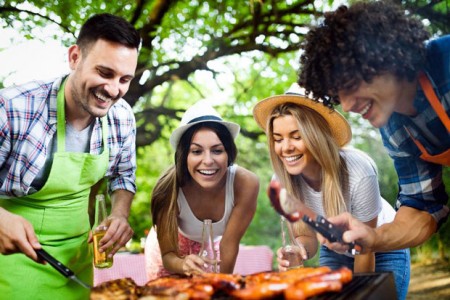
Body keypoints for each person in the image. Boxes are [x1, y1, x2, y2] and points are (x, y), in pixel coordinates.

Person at [0, 13, 140, 299]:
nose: (114, 90)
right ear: (75, 57)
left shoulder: (122, 117)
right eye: (104, 73)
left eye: (124, 79)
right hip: (11, 265)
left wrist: (120, 214)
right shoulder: (12, 108)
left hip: (77, 268)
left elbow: (123, 175)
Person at [297, 0, 449, 257]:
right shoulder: (395, 130)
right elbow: (424, 208)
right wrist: (374, 237)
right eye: (336, 94)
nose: (345, 105)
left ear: (385, 56)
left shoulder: (446, 60)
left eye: (350, 83)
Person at [253, 84, 410, 300]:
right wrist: (300, 250)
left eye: (296, 137)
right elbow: (305, 236)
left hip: (381, 247)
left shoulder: (358, 171)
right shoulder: (280, 183)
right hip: (333, 248)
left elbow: (365, 249)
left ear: (317, 135)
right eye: (278, 139)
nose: (285, 148)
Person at [146, 100, 259, 279]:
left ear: (228, 153)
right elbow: (168, 256)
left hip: (209, 249)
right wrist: (183, 264)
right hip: (170, 255)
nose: (208, 161)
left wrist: (222, 286)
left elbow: (228, 245)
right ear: (184, 156)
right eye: (197, 151)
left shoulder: (245, 183)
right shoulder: (167, 189)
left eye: (217, 150)